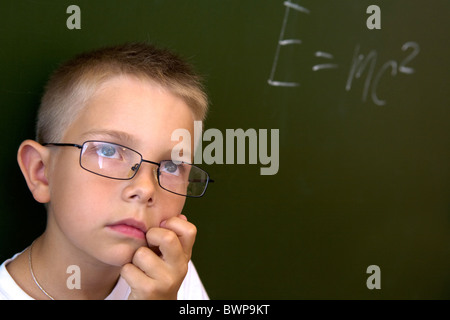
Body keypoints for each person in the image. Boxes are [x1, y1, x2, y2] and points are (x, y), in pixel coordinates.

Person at [0, 42, 212, 300]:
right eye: (109, 151)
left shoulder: (169, 277)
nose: (145, 189)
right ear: (41, 172)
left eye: (171, 166)